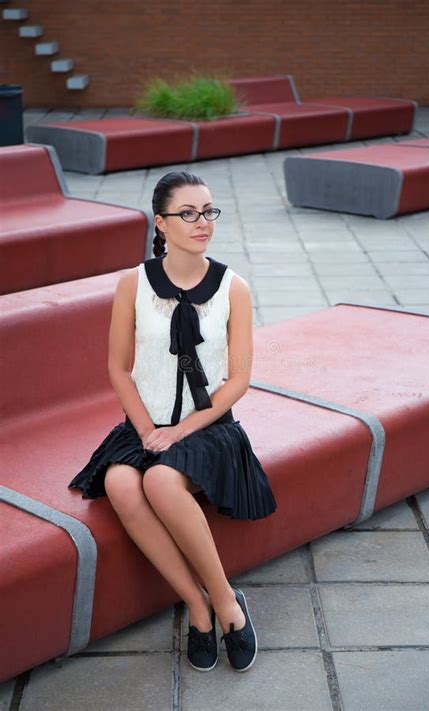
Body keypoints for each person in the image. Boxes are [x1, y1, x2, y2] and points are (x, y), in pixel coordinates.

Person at [67, 171, 277, 673]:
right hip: (145, 421)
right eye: (188, 213)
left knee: (160, 479)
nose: (202, 222)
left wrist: (179, 431)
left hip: (208, 426)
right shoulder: (133, 285)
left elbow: (239, 379)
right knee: (120, 480)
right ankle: (197, 607)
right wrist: (145, 430)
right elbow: (119, 368)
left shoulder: (234, 287)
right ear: (160, 223)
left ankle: (227, 603)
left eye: (208, 211)